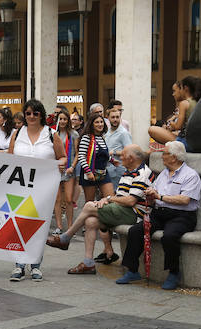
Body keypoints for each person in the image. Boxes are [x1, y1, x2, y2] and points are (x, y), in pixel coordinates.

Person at [47, 145, 155, 275]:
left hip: (134, 214)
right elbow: (122, 197)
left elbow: (131, 201)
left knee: (89, 206)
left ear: (131, 158)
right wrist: (107, 199)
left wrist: (109, 198)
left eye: (123, 155)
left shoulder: (141, 173)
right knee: (91, 222)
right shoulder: (129, 170)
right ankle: (88, 263)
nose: (120, 157)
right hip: (124, 209)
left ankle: (65, 238)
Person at [118, 141, 201, 290]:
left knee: (169, 236)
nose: (161, 156)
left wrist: (160, 197)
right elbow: (154, 194)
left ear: (174, 157)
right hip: (160, 212)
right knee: (136, 231)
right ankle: (132, 270)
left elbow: (185, 200)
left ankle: (174, 273)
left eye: (165, 153)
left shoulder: (190, 175)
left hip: (182, 215)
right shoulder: (163, 174)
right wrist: (150, 195)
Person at [8, 99, 67, 282]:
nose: (32, 116)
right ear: (24, 115)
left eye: (35, 113)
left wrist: (61, 165)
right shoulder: (17, 134)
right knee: (19, 224)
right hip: (19, 187)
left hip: (43, 189)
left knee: (37, 226)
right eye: (28, 113)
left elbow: (63, 157)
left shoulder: (51, 134)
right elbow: (9, 159)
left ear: (41, 115)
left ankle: (35, 265)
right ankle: (19, 265)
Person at [76, 114, 117, 264]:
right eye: (97, 122)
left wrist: (113, 161)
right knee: (91, 206)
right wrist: (88, 171)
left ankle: (108, 248)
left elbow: (103, 155)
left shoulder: (102, 137)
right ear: (91, 124)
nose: (99, 124)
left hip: (103, 174)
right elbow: (81, 156)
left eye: (101, 122)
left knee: (110, 203)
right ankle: (103, 247)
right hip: (90, 175)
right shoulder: (87, 137)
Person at [149, 76, 201, 146]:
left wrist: (171, 123)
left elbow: (177, 126)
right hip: (196, 140)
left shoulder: (184, 103)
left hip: (186, 142)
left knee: (152, 129)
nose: (179, 91)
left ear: (186, 88)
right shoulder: (199, 102)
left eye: (181, 88)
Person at [53, 110, 80, 235]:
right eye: (60, 119)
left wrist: (73, 167)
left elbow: (77, 153)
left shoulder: (73, 134)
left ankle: (70, 227)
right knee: (57, 199)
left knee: (69, 199)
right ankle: (59, 226)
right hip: (57, 169)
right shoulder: (54, 134)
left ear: (68, 121)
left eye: (64, 119)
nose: (62, 121)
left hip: (69, 169)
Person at [104, 109, 133, 191]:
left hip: (118, 170)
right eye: (113, 117)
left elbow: (130, 151)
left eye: (117, 117)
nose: (115, 119)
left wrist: (115, 152)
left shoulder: (123, 133)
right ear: (108, 118)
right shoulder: (107, 132)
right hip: (107, 168)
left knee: (115, 194)